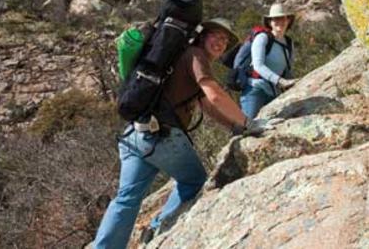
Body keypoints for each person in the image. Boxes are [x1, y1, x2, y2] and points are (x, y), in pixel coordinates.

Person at [94, 18, 260, 249]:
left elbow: (207, 105)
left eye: (225, 40)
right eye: (217, 36)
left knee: (126, 200)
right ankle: (158, 226)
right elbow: (214, 95)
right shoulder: (196, 56)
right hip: (162, 137)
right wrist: (248, 123)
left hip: (135, 134)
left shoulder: (179, 58)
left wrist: (234, 126)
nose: (221, 43)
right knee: (194, 181)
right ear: (203, 36)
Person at [239, 3, 298, 119]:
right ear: (270, 22)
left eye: (282, 18)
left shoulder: (289, 42)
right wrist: (280, 81)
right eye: (275, 19)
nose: (279, 22)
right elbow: (258, 66)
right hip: (255, 90)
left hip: (274, 92)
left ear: (288, 21)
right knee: (247, 126)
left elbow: (287, 69)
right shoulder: (262, 38)